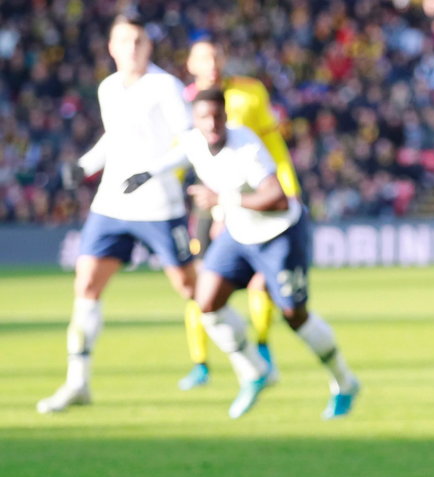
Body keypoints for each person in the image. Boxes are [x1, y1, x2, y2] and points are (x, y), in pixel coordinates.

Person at [126, 88, 359, 419]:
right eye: (204, 117)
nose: (212, 124)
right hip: (239, 235)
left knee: (295, 315)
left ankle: (345, 382)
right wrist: (144, 175)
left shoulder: (246, 146)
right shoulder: (194, 141)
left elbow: (277, 198)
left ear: (225, 116)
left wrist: (223, 199)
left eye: (217, 116)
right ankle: (255, 371)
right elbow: (177, 156)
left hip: (279, 234)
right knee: (206, 302)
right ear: (195, 120)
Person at [37, 13, 197, 414]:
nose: (132, 48)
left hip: (160, 203)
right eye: (125, 41)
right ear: (111, 47)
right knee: (87, 283)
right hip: (112, 203)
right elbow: (115, 137)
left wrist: (152, 171)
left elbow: (189, 143)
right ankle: (78, 383)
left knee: (192, 291)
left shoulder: (165, 86)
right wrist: (85, 165)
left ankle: (248, 363)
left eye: (139, 41)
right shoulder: (109, 87)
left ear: (149, 45)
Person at [176, 37, 301, 391]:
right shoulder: (181, 102)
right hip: (207, 200)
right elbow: (177, 154)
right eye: (204, 58)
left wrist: (287, 185)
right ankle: (200, 363)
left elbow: (272, 143)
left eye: (216, 56)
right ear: (191, 64)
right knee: (199, 282)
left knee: (261, 279)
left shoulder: (250, 92)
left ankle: (262, 347)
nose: (212, 63)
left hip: (247, 200)